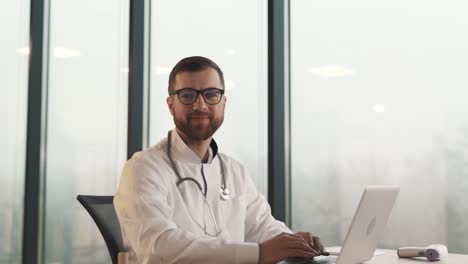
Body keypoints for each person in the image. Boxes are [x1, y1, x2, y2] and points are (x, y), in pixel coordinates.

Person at [114, 56, 327, 264]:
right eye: (188, 95)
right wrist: (258, 254)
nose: (200, 105)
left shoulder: (234, 171)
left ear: (223, 102)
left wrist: (293, 243)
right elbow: (158, 247)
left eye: (211, 94)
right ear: (171, 105)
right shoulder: (143, 168)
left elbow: (263, 226)